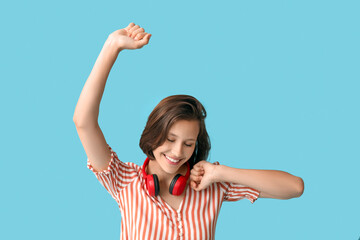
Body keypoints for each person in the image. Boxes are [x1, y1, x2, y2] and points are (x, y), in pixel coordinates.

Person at [73, 22, 304, 240]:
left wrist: (220, 173)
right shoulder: (125, 181)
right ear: (154, 135)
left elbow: (294, 187)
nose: (177, 152)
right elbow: (83, 122)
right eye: (170, 139)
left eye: (188, 143)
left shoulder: (210, 184)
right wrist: (112, 46)